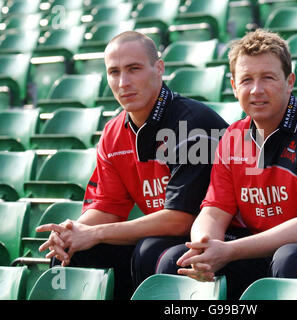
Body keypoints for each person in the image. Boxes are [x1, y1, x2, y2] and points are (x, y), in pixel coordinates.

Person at [154, 29, 297, 300]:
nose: (256, 90)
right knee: (177, 261)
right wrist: (205, 246)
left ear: (289, 82)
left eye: (268, 78)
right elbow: (214, 212)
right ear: (233, 86)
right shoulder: (232, 137)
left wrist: (230, 251)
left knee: (292, 259)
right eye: (247, 80)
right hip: (266, 248)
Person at [35, 31, 228, 300]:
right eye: (114, 72)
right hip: (165, 234)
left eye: (134, 69)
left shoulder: (191, 124)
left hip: (225, 238)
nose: (123, 82)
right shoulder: (113, 132)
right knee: (72, 251)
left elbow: (180, 220)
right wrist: (73, 232)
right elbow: (106, 207)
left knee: (151, 250)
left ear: (158, 68)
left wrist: (95, 233)